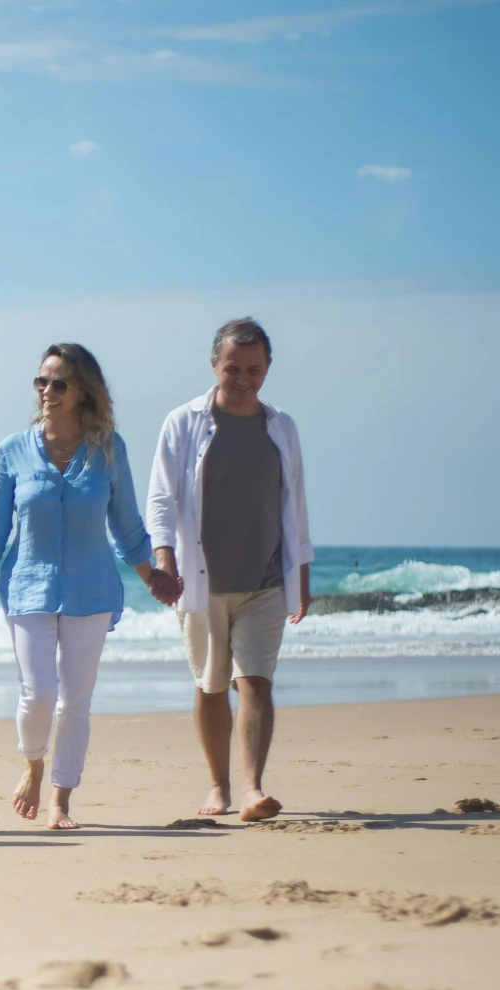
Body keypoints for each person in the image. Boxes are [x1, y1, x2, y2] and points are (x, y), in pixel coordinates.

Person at [0, 344, 181, 830]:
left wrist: (153, 579)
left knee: (75, 700)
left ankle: (61, 800)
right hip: (27, 587)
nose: (47, 391)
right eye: (41, 382)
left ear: (84, 391)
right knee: (38, 693)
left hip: (92, 590)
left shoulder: (109, 449)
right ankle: (34, 766)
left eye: (59, 383)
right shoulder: (12, 451)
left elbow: (126, 526)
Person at [145, 317, 314, 823]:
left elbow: (296, 503)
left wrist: (301, 575)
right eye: (233, 368)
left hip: (265, 578)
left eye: (254, 369)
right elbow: (161, 496)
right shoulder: (183, 422)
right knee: (212, 684)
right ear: (214, 365)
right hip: (201, 580)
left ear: (267, 369)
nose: (243, 378)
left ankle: (251, 789)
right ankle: (218, 785)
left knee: (256, 682)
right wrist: (163, 559)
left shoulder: (281, 426)